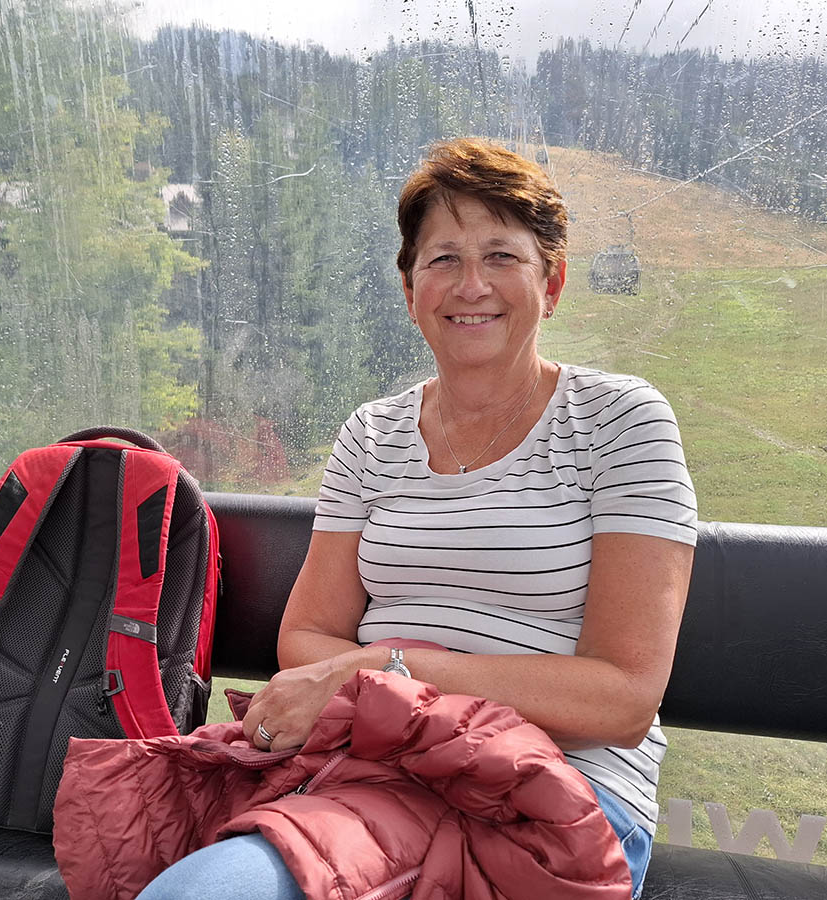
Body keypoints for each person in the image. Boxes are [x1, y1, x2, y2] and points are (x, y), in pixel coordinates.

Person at [137, 138, 696, 899]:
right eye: (442, 260)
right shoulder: (372, 435)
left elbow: (622, 699)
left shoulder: (620, 422)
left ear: (553, 283)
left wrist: (385, 668)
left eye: (503, 256)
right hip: (379, 774)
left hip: (554, 792)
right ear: (409, 291)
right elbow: (306, 636)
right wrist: (376, 685)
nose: (472, 285)